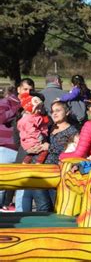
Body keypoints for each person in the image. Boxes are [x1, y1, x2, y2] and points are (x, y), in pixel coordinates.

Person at [23, 101, 78, 211]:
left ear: (67, 112)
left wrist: (50, 147)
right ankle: (41, 228)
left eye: (58, 111)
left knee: (55, 206)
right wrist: (32, 148)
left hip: (56, 174)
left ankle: (53, 228)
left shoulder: (73, 132)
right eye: (52, 111)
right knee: (43, 206)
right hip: (38, 170)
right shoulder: (48, 128)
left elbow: (71, 153)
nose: (54, 114)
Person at [12, 78, 36, 212]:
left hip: (32, 148)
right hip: (16, 147)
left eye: (31, 90)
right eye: (25, 89)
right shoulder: (14, 104)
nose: (28, 92)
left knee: (26, 185)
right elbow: (16, 130)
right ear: (19, 90)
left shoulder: (35, 102)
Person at [0, 85, 21, 211]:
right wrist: (18, 107)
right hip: (5, 148)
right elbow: (2, 118)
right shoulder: (4, 103)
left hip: (21, 148)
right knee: (2, 183)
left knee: (19, 183)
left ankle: (7, 205)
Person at [17, 92, 49, 164]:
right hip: (34, 140)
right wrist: (39, 136)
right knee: (44, 150)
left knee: (31, 155)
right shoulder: (29, 119)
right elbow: (32, 130)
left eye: (41, 107)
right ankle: (38, 162)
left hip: (30, 141)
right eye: (37, 108)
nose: (40, 110)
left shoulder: (32, 117)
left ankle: (25, 162)